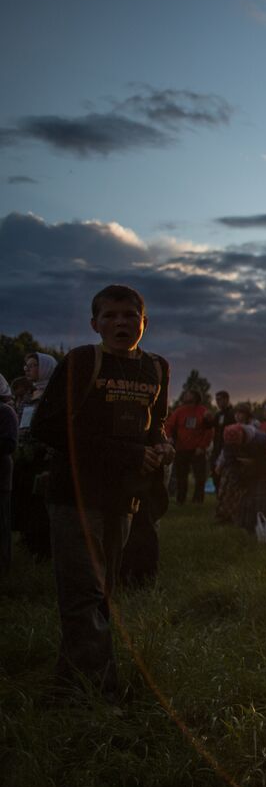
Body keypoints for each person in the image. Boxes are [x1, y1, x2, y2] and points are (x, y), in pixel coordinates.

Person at [31, 284, 173, 699]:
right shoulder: (81, 362)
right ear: (94, 324)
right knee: (83, 596)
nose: (120, 323)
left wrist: (160, 446)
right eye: (109, 316)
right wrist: (128, 454)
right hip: (75, 497)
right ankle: (98, 695)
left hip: (122, 500)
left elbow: (155, 425)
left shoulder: (157, 369)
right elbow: (47, 428)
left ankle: (69, 685)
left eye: (129, 315)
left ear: (144, 323)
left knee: (100, 597)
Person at [14, 352, 57, 561]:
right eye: (26, 365)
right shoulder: (28, 394)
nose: (27, 369)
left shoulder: (53, 395)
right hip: (25, 455)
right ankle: (27, 539)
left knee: (41, 502)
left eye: (32, 365)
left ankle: (42, 546)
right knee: (25, 499)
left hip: (43, 456)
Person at [164, 389, 212, 505]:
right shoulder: (179, 411)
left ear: (195, 397)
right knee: (181, 476)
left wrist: (202, 446)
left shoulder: (203, 411)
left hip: (198, 450)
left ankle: (198, 500)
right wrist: (169, 437)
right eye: (185, 394)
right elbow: (169, 425)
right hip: (181, 449)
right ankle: (181, 499)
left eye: (189, 393)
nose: (186, 395)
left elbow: (209, 430)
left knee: (200, 477)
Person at [0, 375, 16, 577]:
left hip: (1, 478)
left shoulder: (5, 412)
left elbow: (9, 444)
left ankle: (4, 571)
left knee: (2, 527)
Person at [208, 390, 236, 497]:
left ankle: (224, 495)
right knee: (215, 471)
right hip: (217, 447)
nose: (218, 402)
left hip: (227, 449)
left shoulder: (232, 414)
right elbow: (211, 425)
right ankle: (219, 494)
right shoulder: (218, 414)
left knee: (225, 473)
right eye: (217, 400)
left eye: (220, 400)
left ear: (226, 399)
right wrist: (207, 419)